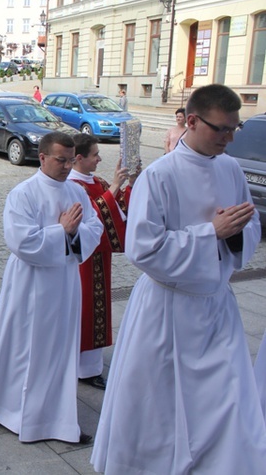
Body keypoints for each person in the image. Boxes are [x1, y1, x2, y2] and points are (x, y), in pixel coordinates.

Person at [91, 84, 266, 474]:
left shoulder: (231, 168)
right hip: (167, 308)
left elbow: (247, 224)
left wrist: (235, 233)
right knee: (159, 404)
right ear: (191, 121)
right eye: (222, 129)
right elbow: (143, 249)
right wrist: (211, 233)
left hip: (216, 305)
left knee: (228, 398)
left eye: (235, 129)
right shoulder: (160, 176)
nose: (230, 138)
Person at [0, 131, 103, 444]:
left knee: (58, 349)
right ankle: (10, 410)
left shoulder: (77, 192)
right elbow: (22, 241)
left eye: (71, 160)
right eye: (61, 160)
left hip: (65, 282)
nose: (67, 166)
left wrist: (72, 235)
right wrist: (62, 231)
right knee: (24, 347)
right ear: (42, 157)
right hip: (30, 284)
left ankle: (54, 419)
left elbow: (95, 227)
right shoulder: (23, 193)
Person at [68, 134, 134, 390]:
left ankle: (89, 365)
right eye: (95, 154)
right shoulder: (72, 185)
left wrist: (128, 184)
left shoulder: (97, 181)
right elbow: (91, 216)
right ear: (80, 158)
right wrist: (114, 187)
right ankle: (82, 367)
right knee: (86, 308)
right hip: (82, 261)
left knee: (97, 309)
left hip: (100, 257)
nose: (99, 158)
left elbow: (120, 210)